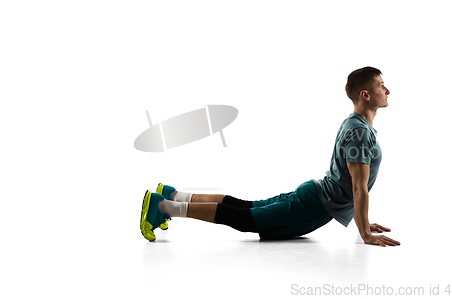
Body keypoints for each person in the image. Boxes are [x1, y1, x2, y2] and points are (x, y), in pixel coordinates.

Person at [140, 67, 400, 247]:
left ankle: (174, 195)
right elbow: (357, 187)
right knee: (245, 218)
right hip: (314, 205)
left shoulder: (355, 124)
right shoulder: (360, 133)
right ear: (365, 95)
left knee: (245, 207)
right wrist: (365, 232)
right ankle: (162, 206)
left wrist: (362, 220)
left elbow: (350, 184)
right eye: (381, 85)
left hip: (315, 197)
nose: (387, 90)